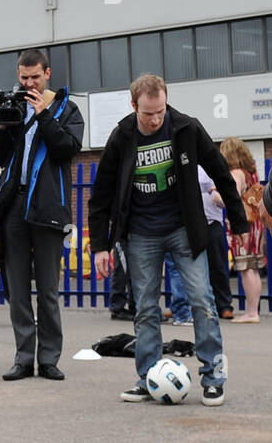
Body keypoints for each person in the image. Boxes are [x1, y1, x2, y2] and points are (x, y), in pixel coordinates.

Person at [90, 74, 246, 406]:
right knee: (146, 309)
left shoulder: (186, 128)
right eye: (148, 113)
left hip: (183, 230)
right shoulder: (122, 136)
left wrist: (239, 220)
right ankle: (147, 378)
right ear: (134, 107)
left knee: (202, 302)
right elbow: (101, 195)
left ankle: (213, 378)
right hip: (141, 234)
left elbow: (220, 171)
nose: (156, 118)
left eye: (160, 110)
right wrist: (101, 246)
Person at [0, 48, 83, 382]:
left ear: (48, 74)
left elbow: (67, 149)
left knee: (48, 291)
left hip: (48, 209)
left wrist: (43, 116)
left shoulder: (68, 109)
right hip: (14, 207)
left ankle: (50, 359)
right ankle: (23, 358)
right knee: (17, 290)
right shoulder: (13, 108)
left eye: (34, 77)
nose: (28, 84)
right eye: (23, 78)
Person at [216, 137, 264, 323]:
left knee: (245, 268)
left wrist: (215, 195)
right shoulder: (251, 172)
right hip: (255, 223)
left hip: (242, 225)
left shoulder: (236, 173)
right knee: (253, 267)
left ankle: (251, 312)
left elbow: (231, 197)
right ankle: (254, 310)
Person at [197, 165, 234, 320]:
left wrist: (215, 193)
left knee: (217, 266)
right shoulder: (187, 164)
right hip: (192, 224)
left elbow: (224, 197)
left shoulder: (212, 167)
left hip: (212, 221)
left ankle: (224, 305)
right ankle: (186, 305)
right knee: (191, 267)